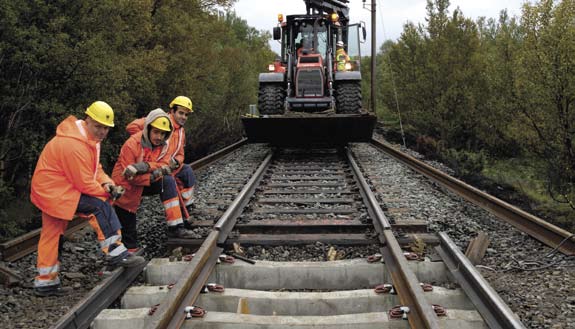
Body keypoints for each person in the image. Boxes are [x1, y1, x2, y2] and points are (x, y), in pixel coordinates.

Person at [31, 101, 145, 297]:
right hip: (57, 192)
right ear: (87, 120)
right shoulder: (74, 145)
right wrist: (108, 193)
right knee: (100, 207)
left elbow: (95, 170)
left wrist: (107, 183)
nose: (102, 132)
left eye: (106, 128)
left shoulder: (86, 139)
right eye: (98, 126)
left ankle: (45, 283)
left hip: (52, 190)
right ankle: (116, 252)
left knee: (52, 234)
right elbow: (84, 183)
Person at [112, 108, 196, 252]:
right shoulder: (132, 144)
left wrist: (145, 166)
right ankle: (126, 256)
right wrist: (151, 174)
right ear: (148, 129)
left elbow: (164, 164)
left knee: (168, 180)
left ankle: (175, 226)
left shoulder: (163, 146)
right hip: (126, 189)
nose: (159, 137)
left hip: (146, 180)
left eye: (163, 134)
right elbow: (129, 177)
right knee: (129, 235)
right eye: (156, 132)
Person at [125, 96, 196, 217]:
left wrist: (177, 162)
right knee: (168, 181)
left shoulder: (181, 131)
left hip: (167, 166)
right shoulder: (159, 120)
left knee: (187, 171)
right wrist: (148, 143)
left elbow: (180, 153)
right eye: (181, 113)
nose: (183, 117)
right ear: (172, 111)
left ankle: (187, 207)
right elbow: (131, 127)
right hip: (152, 166)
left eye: (186, 115)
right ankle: (175, 221)